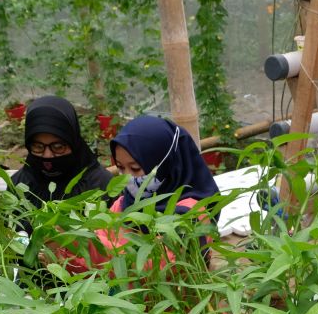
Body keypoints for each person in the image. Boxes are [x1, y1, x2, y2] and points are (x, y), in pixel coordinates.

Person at [54, 115, 219, 275]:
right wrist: (67, 254)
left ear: (165, 164)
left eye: (135, 168)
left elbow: (158, 267)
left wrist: (83, 241)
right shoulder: (124, 204)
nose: (127, 177)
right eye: (120, 167)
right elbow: (102, 264)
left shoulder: (191, 213)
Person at [11, 95, 113, 205]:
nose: (47, 155)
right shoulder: (19, 185)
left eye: (58, 147)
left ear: (73, 142)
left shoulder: (101, 186)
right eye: (38, 147)